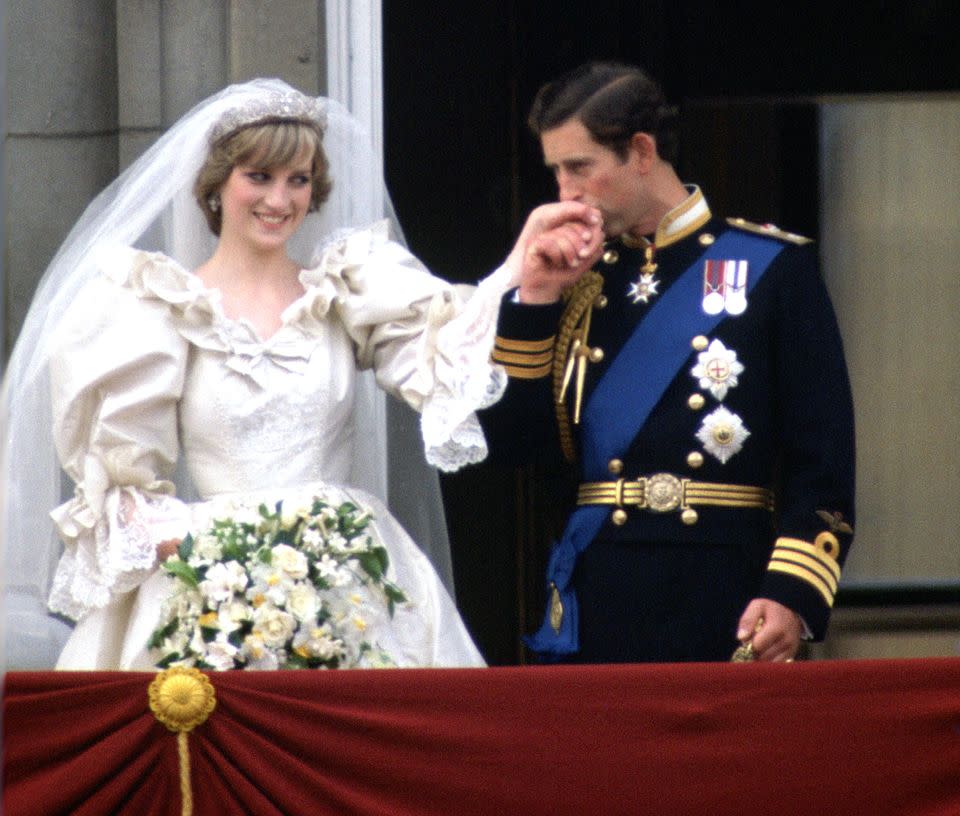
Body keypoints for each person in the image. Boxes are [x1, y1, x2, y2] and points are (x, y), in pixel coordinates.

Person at [1, 79, 562, 671]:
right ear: (217, 185)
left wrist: (519, 272)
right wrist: (205, 558)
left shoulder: (348, 288)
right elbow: (120, 477)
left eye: (298, 179)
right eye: (260, 177)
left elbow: (447, 361)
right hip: (209, 585)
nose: (280, 198)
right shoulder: (158, 306)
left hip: (348, 573)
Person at [479, 61, 856, 664]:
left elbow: (824, 460)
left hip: (727, 592)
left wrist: (790, 592)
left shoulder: (772, 268)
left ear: (641, 151)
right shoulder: (573, 282)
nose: (564, 193)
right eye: (555, 171)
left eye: (580, 168)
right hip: (602, 595)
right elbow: (514, 449)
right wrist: (534, 301)